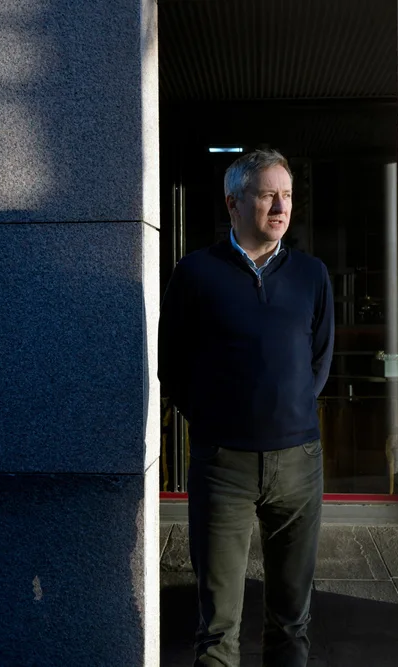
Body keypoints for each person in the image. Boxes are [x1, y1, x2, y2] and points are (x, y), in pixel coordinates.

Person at [159, 149, 335, 666]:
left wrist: (288, 410)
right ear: (233, 203)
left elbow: (319, 360)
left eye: (288, 196)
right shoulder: (195, 273)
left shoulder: (311, 274)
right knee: (217, 631)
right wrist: (218, 420)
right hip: (223, 466)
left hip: (298, 464)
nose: (281, 207)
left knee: (291, 623)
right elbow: (173, 364)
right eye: (267, 195)